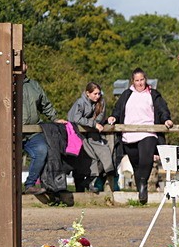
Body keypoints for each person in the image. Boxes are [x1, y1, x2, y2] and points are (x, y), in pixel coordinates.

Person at [107, 69, 173, 204]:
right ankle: (141, 193)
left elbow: (162, 109)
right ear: (133, 81)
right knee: (136, 165)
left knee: (146, 160)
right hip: (129, 134)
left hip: (148, 132)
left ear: (145, 79)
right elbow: (118, 109)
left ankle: (142, 185)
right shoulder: (126, 94)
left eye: (142, 80)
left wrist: (166, 119)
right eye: (137, 80)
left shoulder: (153, 94)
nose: (140, 83)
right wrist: (113, 117)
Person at [68, 82, 117, 193]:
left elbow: (100, 118)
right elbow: (76, 119)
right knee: (88, 157)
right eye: (94, 94)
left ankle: (99, 176)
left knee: (105, 153)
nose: (97, 96)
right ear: (87, 93)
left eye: (99, 93)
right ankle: (85, 183)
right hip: (77, 134)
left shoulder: (101, 102)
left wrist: (95, 124)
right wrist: (93, 124)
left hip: (92, 133)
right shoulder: (80, 103)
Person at [21, 65, 63, 194]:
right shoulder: (4, 84)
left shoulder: (34, 85)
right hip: (11, 132)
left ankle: (30, 184)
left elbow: (45, 104)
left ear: (26, 66)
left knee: (42, 150)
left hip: (33, 131)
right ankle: (10, 188)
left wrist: (54, 118)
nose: (20, 66)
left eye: (22, 63)